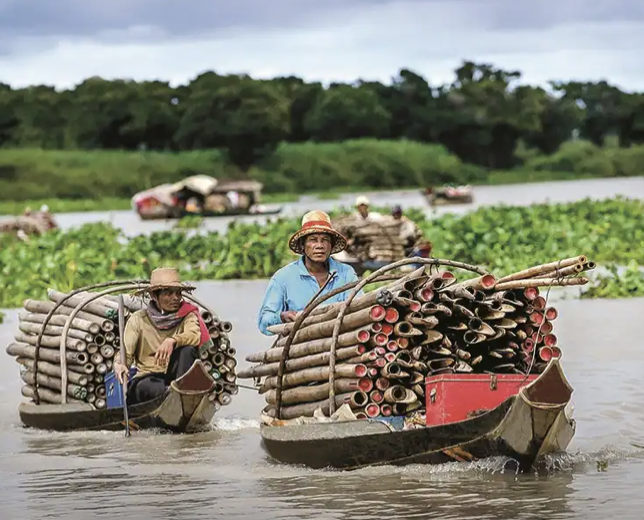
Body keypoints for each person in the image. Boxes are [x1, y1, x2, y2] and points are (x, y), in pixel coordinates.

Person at [113, 267, 212, 404]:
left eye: (178, 293)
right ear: (154, 296)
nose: (175, 298)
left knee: (187, 350)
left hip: (176, 378)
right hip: (147, 379)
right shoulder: (139, 319)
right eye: (168, 293)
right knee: (155, 388)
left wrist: (172, 340)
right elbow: (126, 353)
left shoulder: (188, 315)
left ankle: (183, 398)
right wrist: (119, 364)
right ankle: (173, 400)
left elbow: (194, 335)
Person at [257, 210, 362, 335]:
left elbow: (359, 307)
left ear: (331, 245)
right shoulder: (283, 277)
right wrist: (281, 317)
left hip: (340, 342)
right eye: (313, 240)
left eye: (325, 240)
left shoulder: (346, 273)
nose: (319, 245)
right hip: (299, 347)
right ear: (302, 245)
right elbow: (264, 322)